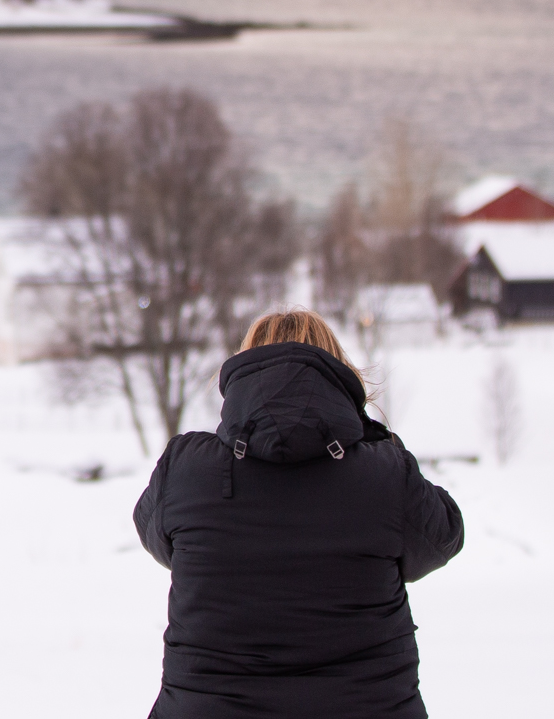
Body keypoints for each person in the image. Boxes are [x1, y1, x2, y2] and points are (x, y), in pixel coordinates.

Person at [133, 308, 463, 719]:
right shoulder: (384, 474)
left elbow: (159, 539)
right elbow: (444, 536)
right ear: (340, 376)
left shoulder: (185, 470)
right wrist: (369, 436)